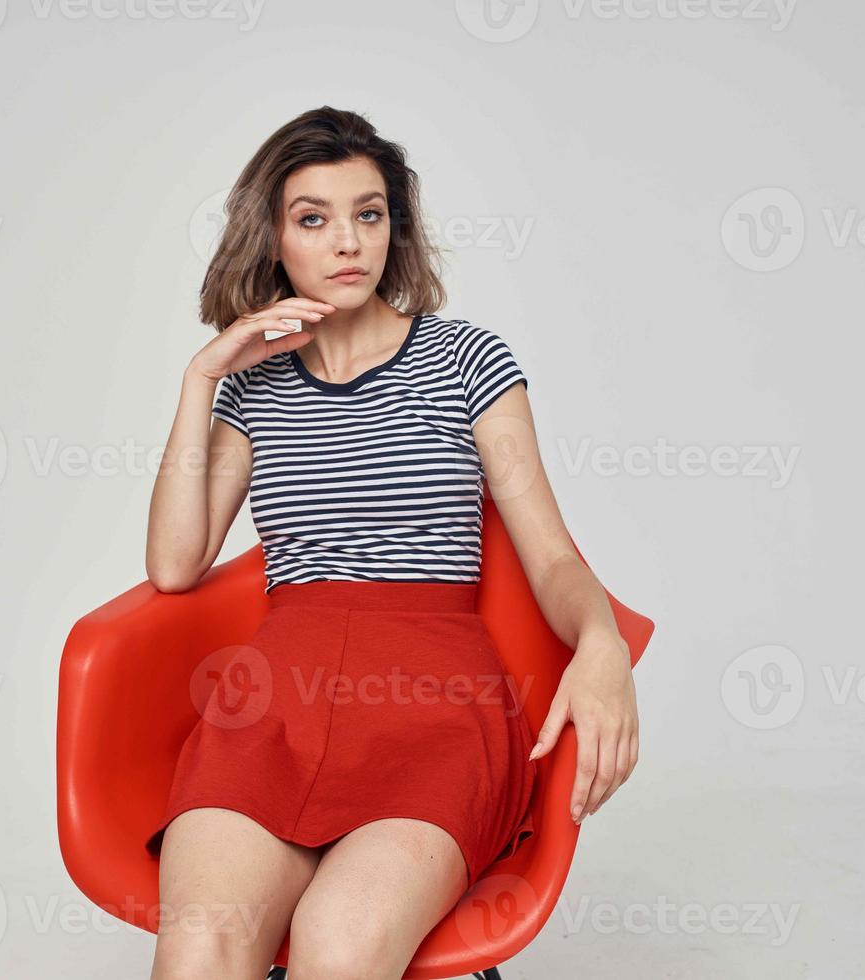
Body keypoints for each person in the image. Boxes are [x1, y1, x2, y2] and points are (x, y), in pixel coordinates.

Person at [142, 106, 639, 980]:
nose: (348, 242)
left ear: (394, 229)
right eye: (314, 218)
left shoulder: (467, 361)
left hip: (435, 707)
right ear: (273, 241)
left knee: (340, 945)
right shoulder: (252, 391)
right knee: (201, 945)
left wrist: (601, 646)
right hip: (275, 705)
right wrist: (202, 377)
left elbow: (554, 557)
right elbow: (174, 565)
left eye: (369, 214)